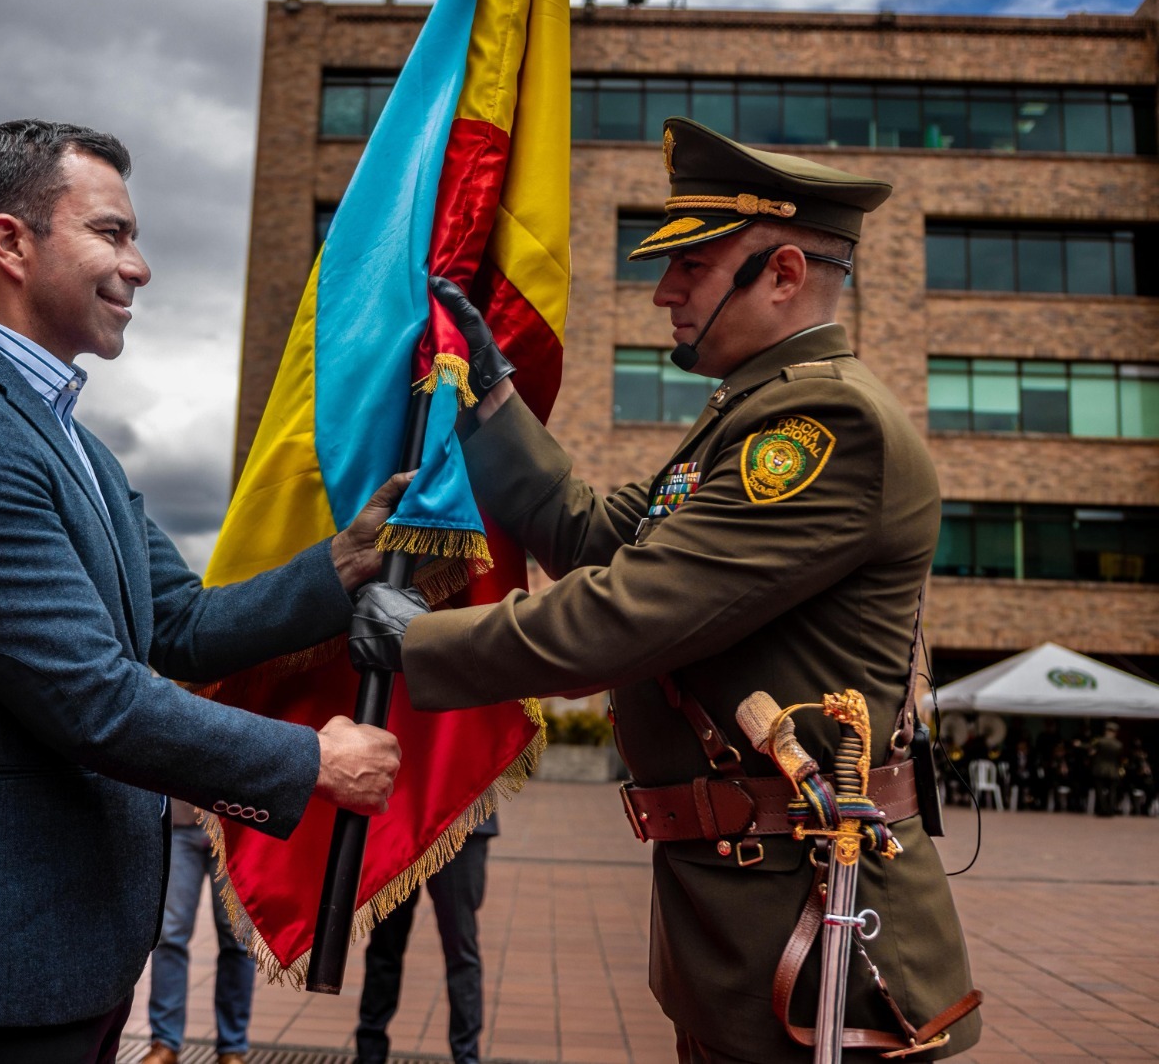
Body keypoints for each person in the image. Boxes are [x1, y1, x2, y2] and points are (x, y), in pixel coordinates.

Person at [349, 119, 983, 1061]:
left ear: (782, 273)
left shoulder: (821, 423)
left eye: (692, 265)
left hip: (814, 926)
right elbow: (593, 534)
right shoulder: (748, 415)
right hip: (750, 902)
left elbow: (629, 610)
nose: (663, 291)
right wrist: (488, 395)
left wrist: (421, 642)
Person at [0, 119, 404, 1064]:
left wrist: (342, 563)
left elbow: (177, 622)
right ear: (10, 243)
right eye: (110, 232)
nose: (138, 266)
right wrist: (310, 760)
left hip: (65, 961)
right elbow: (91, 696)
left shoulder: (73, 441)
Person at [355, 815, 496, 1064]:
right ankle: (369, 1054)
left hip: (462, 818)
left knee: (461, 950)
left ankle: (467, 1057)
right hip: (400, 819)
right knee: (384, 946)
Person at [140, 800, 256, 1064]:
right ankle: (164, 1042)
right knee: (168, 937)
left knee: (239, 941)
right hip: (179, 820)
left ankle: (233, 1047)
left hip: (238, 823)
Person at [1089, 721, 1123, 817]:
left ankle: (1103, 810)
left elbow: (1091, 751)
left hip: (1099, 769)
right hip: (1113, 770)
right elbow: (1120, 758)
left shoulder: (1100, 741)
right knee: (1112, 791)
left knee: (1100, 790)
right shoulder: (1119, 744)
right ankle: (1111, 810)